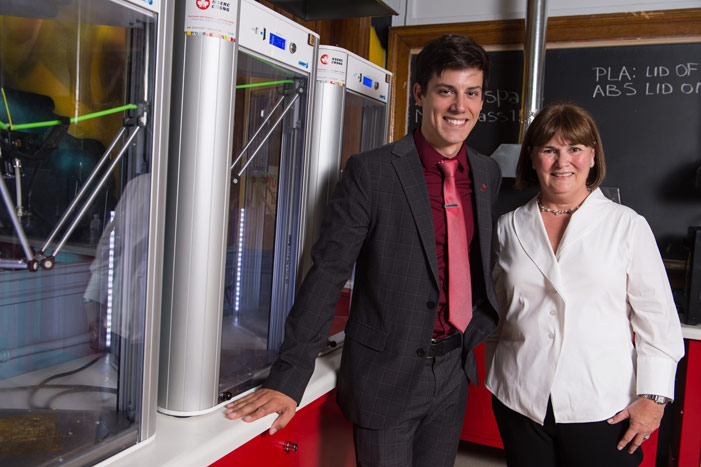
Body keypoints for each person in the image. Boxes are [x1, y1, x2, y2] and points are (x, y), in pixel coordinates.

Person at [225, 33, 501, 466]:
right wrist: (289, 376)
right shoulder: (372, 172)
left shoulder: (485, 172)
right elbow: (328, 272)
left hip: (454, 371)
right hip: (387, 376)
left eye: (472, 93)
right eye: (446, 90)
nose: (459, 106)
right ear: (419, 94)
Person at [485, 102, 685, 467]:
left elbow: (658, 321)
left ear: (592, 156)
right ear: (532, 157)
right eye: (549, 150)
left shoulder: (626, 225)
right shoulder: (508, 227)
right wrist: (496, 375)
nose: (563, 162)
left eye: (574, 149)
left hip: (604, 405)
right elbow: (500, 312)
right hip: (520, 399)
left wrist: (654, 399)